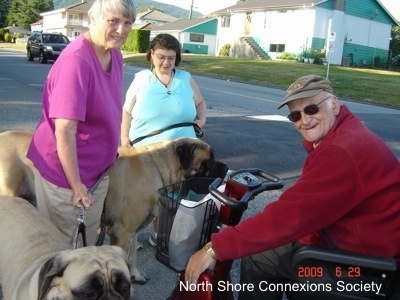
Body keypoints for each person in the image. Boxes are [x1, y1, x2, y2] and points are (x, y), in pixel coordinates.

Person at [185, 74, 400, 299]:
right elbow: (309, 204)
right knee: (278, 247)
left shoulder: (340, 150)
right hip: (366, 253)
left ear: (334, 105)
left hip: (366, 274)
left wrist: (215, 248)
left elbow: (289, 217)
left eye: (311, 109)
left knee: (261, 257)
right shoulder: (346, 135)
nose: (304, 120)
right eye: (295, 115)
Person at [26, 0, 136, 247]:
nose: (122, 29)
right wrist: (76, 186)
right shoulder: (76, 61)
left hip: (95, 173)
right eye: (113, 21)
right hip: (67, 176)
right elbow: (65, 130)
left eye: (127, 23)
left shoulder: (114, 54)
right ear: (93, 19)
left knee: (83, 243)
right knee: (65, 249)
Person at [120, 33, 207, 246]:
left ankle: (160, 235)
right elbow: (127, 111)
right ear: (151, 55)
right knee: (140, 197)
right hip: (146, 151)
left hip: (181, 154)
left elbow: (200, 103)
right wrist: (124, 138)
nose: (166, 62)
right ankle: (129, 236)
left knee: (172, 197)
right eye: (161, 57)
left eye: (171, 57)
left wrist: (201, 121)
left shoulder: (185, 78)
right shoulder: (141, 79)